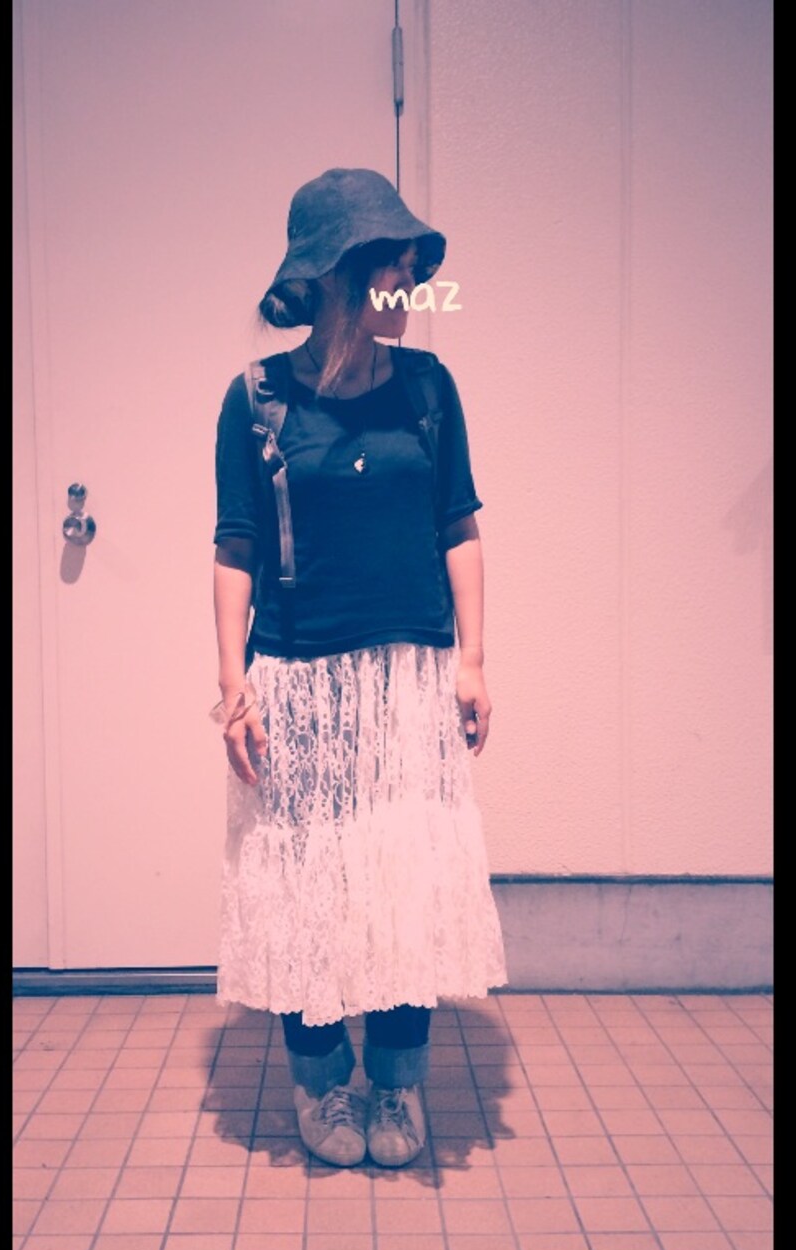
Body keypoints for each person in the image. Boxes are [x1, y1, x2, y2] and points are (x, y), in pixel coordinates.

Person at [212, 167, 507, 1169]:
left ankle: (395, 1082)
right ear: (338, 273)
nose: (412, 280)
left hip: (409, 676)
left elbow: (458, 523)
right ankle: (320, 1081)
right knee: (306, 881)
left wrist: (473, 660)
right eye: (394, 262)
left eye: (415, 263)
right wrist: (233, 687)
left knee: (400, 876)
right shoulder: (256, 400)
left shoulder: (428, 388)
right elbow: (236, 544)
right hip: (298, 676)